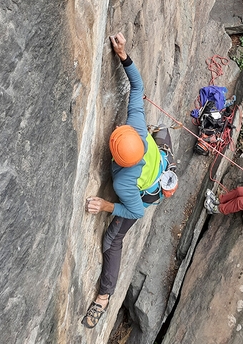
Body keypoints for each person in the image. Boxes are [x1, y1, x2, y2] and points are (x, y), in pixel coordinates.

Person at [82, 32, 167, 329]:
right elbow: (137, 86)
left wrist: (106, 205)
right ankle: (164, 146)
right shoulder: (138, 128)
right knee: (162, 133)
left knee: (111, 241)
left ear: (117, 158)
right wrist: (123, 56)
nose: (119, 126)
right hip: (156, 162)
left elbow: (136, 211)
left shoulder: (124, 185)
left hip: (146, 193)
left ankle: (104, 297)